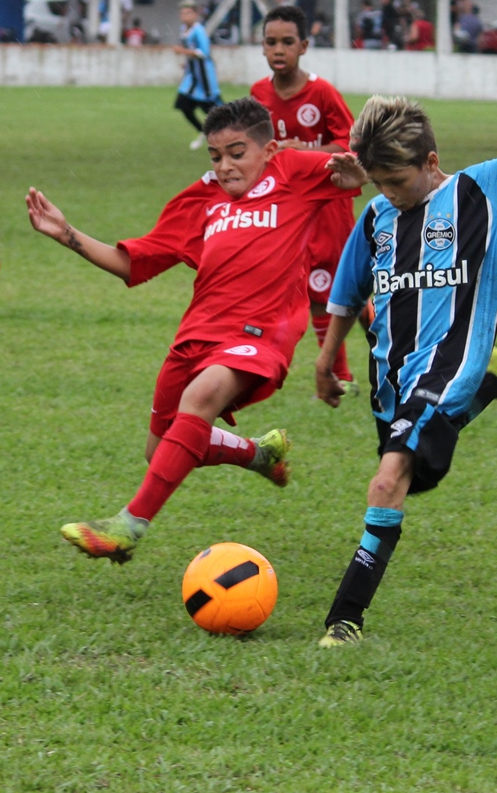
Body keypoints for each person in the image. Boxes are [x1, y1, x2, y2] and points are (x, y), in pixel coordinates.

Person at [312, 8, 497, 649]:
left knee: (387, 480)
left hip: (447, 365)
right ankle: (492, 383)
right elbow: (347, 291)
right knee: (416, 480)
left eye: (395, 180)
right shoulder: (376, 218)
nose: (387, 193)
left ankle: (345, 620)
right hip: (392, 377)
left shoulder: (481, 190)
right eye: (378, 182)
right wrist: (326, 358)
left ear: (432, 160)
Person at [25, 98, 369, 563]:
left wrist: (358, 176)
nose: (225, 166)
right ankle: (257, 455)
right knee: (161, 451)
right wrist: (67, 233)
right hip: (197, 334)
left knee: (200, 398)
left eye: (237, 152)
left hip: (261, 330)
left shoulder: (291, 170)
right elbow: (132, 263)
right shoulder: (200, 200)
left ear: (268, 150)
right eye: (215, 155)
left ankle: (126, 526)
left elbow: (358, 173)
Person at [250, 4, 362, 392]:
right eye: (271, 42)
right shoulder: (258, 94)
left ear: (304, 46)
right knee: (316, 287)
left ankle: (389, 353)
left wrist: (305, 152)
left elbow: (350, 146)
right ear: (262, 47)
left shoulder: (322, 93)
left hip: (329, 203)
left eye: (287, 42)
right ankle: (338, 374)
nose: (278, 50)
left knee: (348, 286)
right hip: (289, 207)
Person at [172, 0, 222, 151]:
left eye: (188, 13)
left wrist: (183, 52)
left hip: (204, 78)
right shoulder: (184, 29)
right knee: (183, 105)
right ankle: (204, 132)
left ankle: (234, 134)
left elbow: (204, 53)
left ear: (195, 14)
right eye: (182, 13)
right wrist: (187, 62)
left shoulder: (199, 31)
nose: (184, 16)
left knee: (217, 113)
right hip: (192, 77)